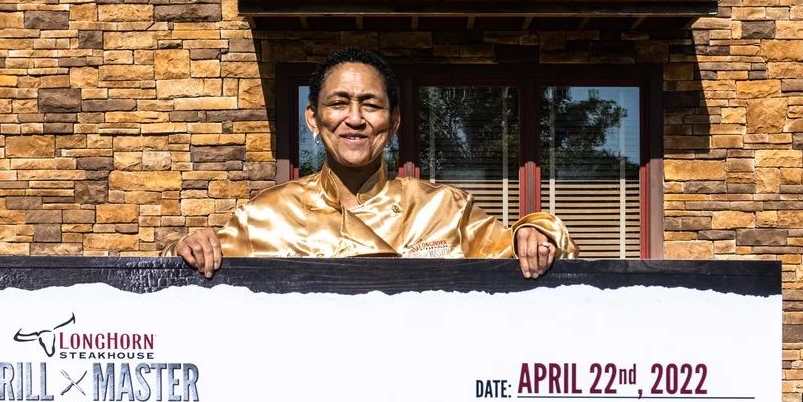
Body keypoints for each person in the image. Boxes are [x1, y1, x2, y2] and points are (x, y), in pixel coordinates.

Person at [175, 48, 572, 278]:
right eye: (338, 103)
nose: (354, 118)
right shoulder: (263, 215)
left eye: (370, 104)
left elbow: (529, 253)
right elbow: (182, 286)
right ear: (313, 118)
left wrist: (537, 232)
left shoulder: (444, 209)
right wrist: (189, 248)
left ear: (394, 121)